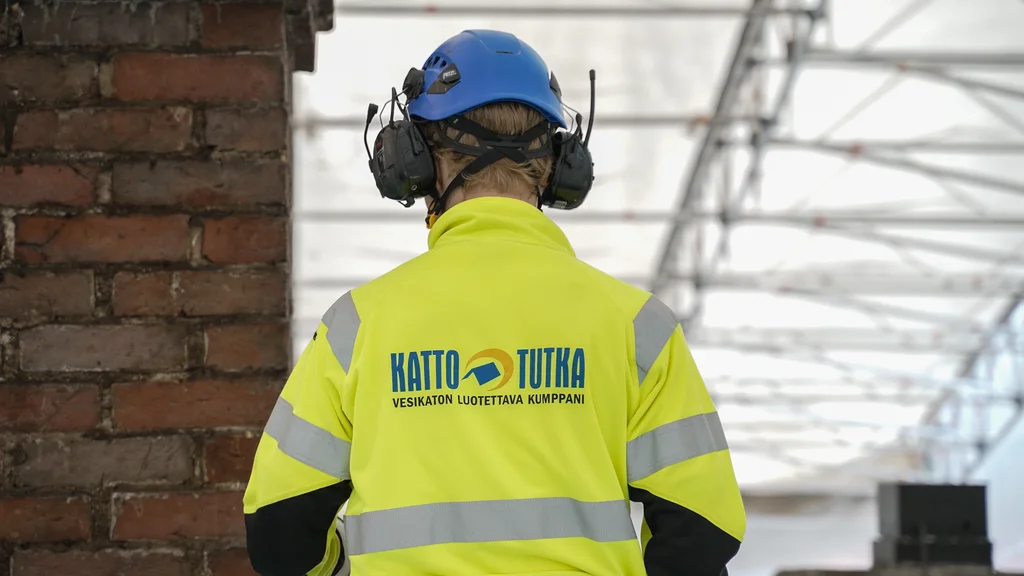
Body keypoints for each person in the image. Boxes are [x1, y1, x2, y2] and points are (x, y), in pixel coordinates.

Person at [243, 29, 746, 576]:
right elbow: (703, 526)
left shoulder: (356, 327)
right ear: (560, 166)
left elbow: (278, 530)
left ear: (412, 161)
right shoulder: (638, 327)